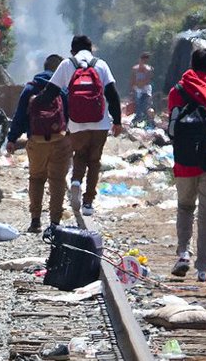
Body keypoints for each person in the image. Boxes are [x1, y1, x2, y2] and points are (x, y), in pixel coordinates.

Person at [36, 35, 123, 217]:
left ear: (72, 51)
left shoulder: (67, 64)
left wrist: (34, 107)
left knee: (80, 155)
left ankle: (76, 181)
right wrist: (117, 121)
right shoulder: (101, 64)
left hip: (76, 122)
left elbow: (50, 92)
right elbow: (113, 95)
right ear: (91, 49)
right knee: (94, 161)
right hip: (100, 122)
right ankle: (88, 202)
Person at [167, 46, 206, 281]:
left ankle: (183, 253)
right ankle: (203, 268)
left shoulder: (178, 90)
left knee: (185, 206)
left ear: (192, 64)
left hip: (183, 160)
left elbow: (172, 128)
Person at [9, 54, 70, 233]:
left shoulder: (30, 88)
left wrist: (12, 139)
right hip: (59, 139)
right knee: (57, 180)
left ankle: (35, 221)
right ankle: (55, 223)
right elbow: (71, 115)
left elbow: (19, 117)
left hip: (36, 141)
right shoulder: (62, 88)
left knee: (36, 179)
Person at [131, 52, 154, 127]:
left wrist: (140, 84)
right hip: (137, 90)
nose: (143, 62)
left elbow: (148, 80)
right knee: (138, 105)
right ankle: (137, 120)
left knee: (145, 105)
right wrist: (132, 89)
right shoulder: (135, 69)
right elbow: (132, 80)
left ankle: (148, 121)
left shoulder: (149, 69)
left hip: (146, 90)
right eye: (142, 60)